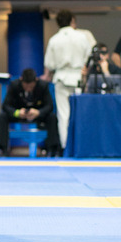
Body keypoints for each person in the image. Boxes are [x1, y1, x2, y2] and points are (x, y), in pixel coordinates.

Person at [44, 9, 95, 149]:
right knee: (79, 113)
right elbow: (89, 57)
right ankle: (80, 145)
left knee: (63, 114)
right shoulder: (82, 37)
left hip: (61, 77)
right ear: (72, 20)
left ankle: (66, 146)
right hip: (78, 77)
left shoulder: (54, 39)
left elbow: (49, 63)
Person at [0, 69, 60, 157]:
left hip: (36, 114)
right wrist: (17, 113)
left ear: (36, 81)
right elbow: (5, 106)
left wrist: (38, 112)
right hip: (19, 114)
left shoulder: (43, 86)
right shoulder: (14, 85)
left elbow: (49, 106)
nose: (28, 89)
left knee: (52, 117)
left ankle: (52, 149)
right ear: (21, 80)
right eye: (26, 86)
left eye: (31, 86)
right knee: (2, 116)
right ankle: (2, 149)